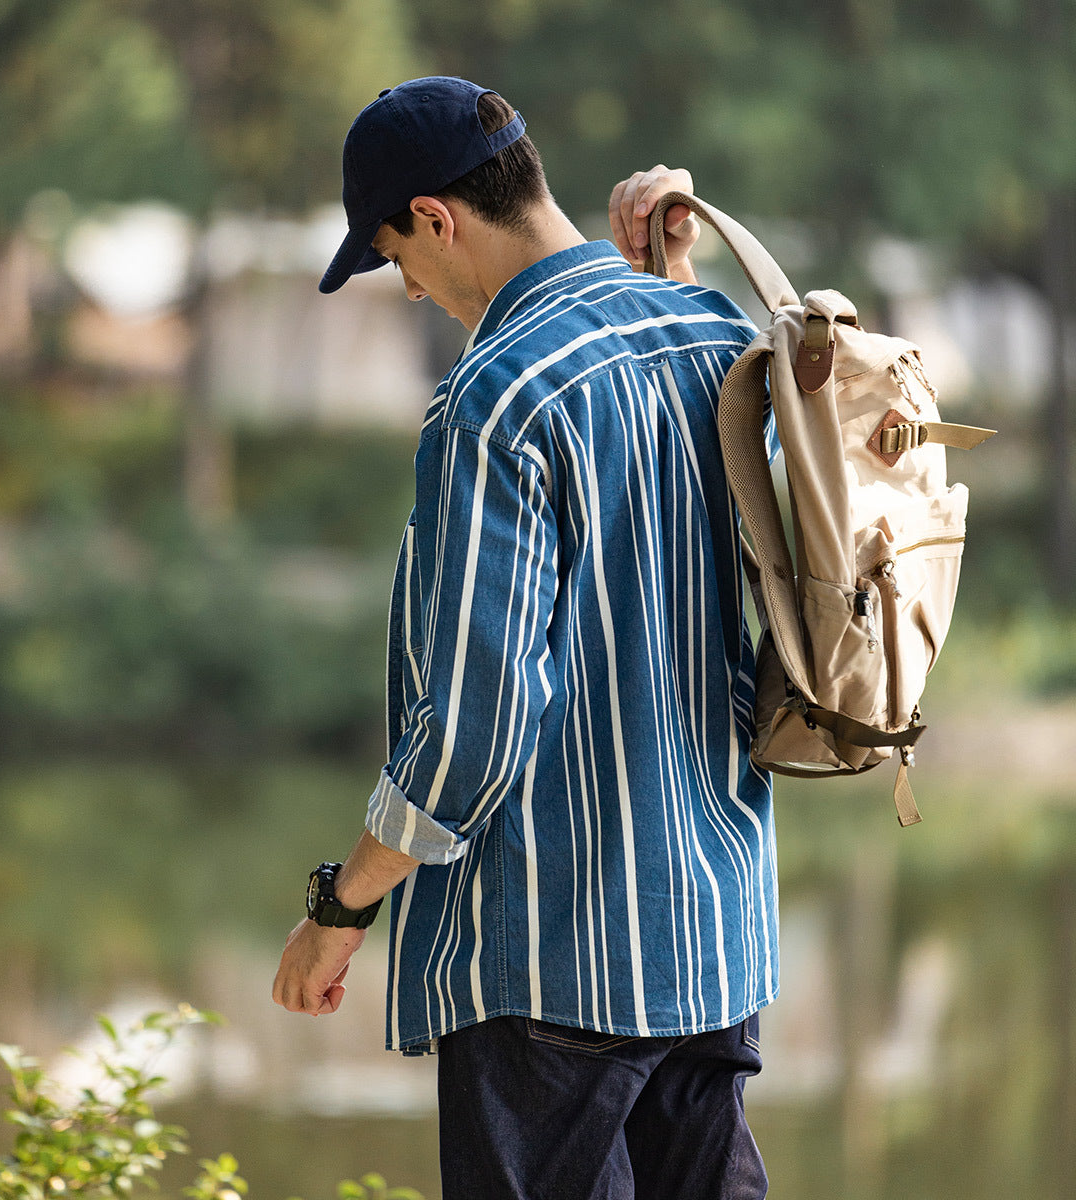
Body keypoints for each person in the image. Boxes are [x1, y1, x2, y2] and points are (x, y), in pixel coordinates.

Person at [272, 76, 777, 1200]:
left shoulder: (494, 401)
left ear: (439, 218)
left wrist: (340, 908)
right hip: (712, 934)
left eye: (397, 254)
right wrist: (671, 282)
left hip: (553, 960)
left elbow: (472, 719)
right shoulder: (710, 333)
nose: (407, 287)